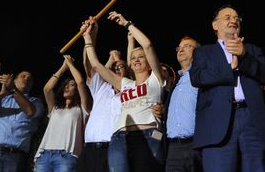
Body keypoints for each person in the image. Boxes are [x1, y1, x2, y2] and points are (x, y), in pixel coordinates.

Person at [189, 4, 265, 171]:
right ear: (215, 25)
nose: (233, 21)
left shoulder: (252, 50)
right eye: (227, 17)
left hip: (252, 120)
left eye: (236, 18)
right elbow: (197, 77)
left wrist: (244, 56)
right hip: (217, 124)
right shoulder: (203, 52)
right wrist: (229, 69)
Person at [81, 12, 165, 172]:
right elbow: (97, 66)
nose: (137, 60)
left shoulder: (156, 79)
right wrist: (87, 38)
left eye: (141, 57)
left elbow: (147, 45)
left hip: (148, 134)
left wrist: (127, 24)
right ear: (130, 65)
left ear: (150, 63)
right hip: (120, 138)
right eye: (133, 58)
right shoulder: (125, 83)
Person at [76, 21, 129, 172]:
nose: (116, 69)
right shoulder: (101, 88)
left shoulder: (130, 92)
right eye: (114, 67)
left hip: (112, 151)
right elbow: (89, 65)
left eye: (121, 67)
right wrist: (91, 35)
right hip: (88, 151)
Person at [0, 70, 45, 172]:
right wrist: (2, 93)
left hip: (14, 157)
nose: (27, 79)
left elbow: (30, 112)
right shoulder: (4, 99)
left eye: (30, 79)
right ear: (14, 81)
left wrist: (13, 89)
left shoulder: (36, 102)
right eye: (23, 76)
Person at [34, 55, 91, 172]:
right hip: (44, 155)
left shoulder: (81, 109)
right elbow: (47, 89)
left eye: (71, 85)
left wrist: (70, 64)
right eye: (65, 85)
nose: (67, 87)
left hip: (66, 156)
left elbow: (80, 82)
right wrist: (63, 67)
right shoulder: (55, 108)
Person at [164, 36, 202, 172]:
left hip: (196, 145)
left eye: (187, 46)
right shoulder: (176, 82)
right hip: (173, 148)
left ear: (197, 52)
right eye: (179, 47)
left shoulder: (202, 76)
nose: (180, 49)